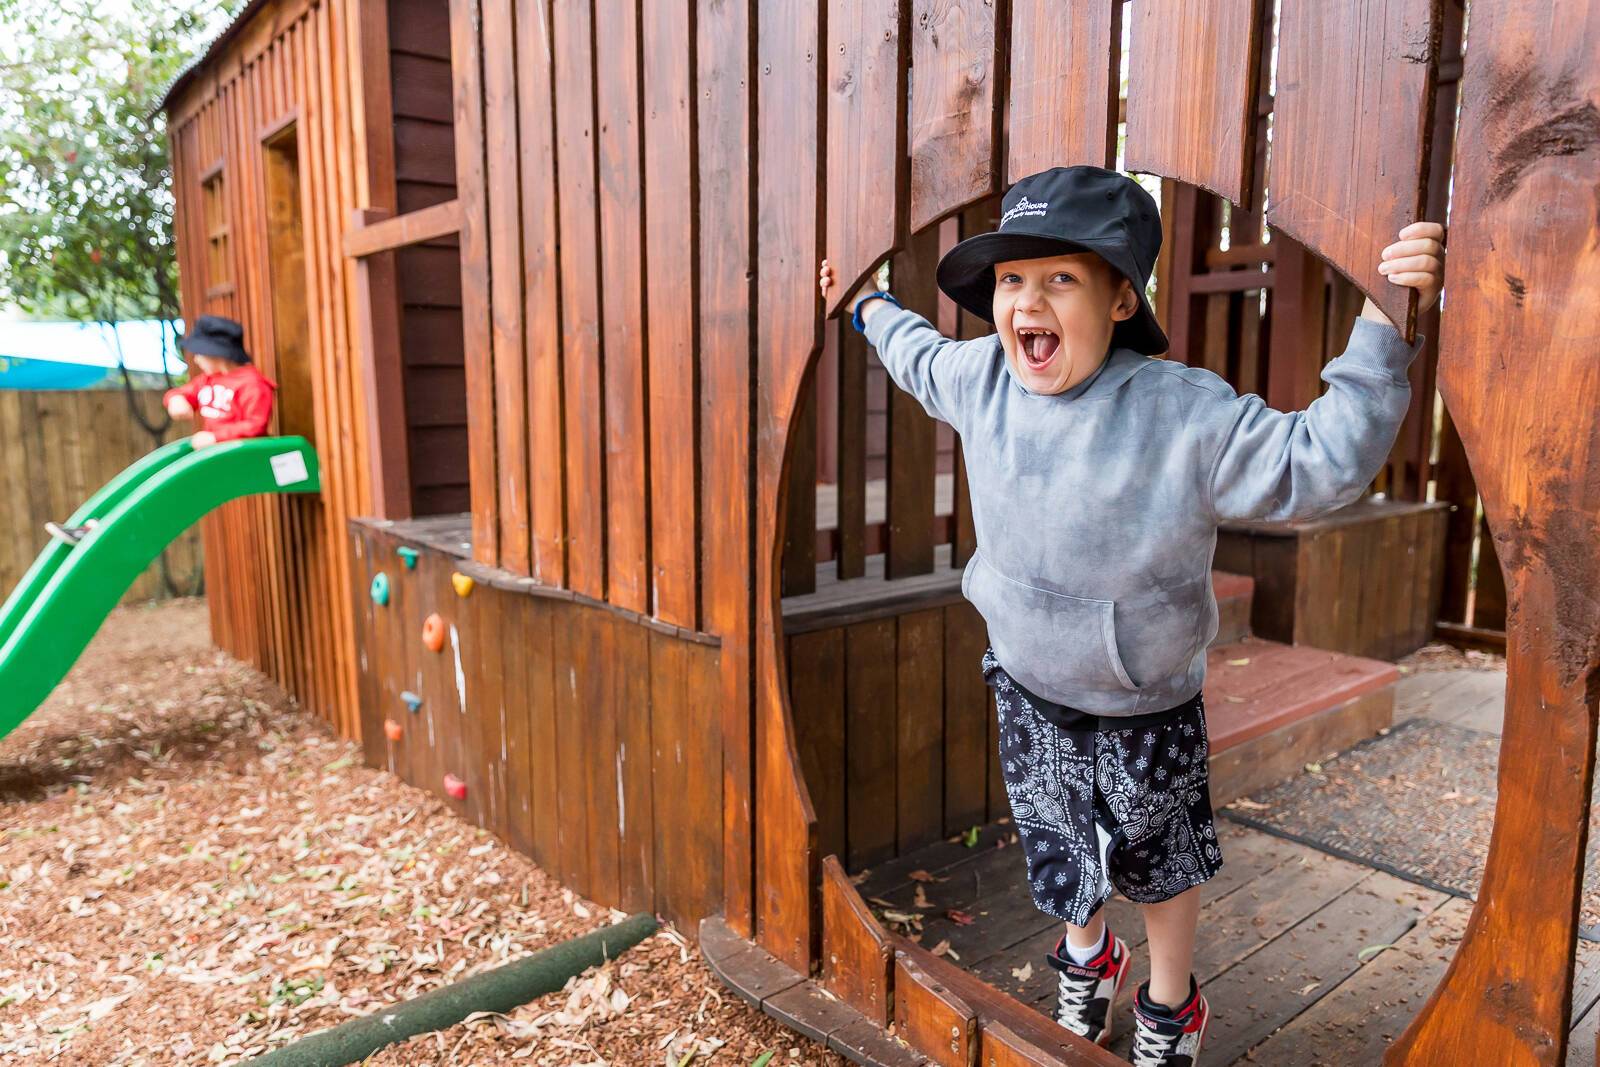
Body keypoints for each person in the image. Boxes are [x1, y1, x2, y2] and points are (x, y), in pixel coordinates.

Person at [819, 165, 1444, 1065]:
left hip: (1143, 697)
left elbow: (1321, 460)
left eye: (1059, 278)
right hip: (1028, 680)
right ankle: (1087, 956)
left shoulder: (1179, 413)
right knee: (1056, 841)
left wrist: (1386, 323)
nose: (1026, 300)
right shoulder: (981, 376)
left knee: (1158, 856)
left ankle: (1169, 999)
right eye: (1009, 280)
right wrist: (868, 305)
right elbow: (915, 353)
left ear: (1119, 301)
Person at [45, 314, 277, 546]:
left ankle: (110, 531)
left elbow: (256, 425)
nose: (196, 359)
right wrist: (177, 400)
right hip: (211, 458)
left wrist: (216, 436)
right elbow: (180, 393)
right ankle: (97, 525)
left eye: (200, 353)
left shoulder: (253, 385)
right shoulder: (210, 380)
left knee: (167, 497)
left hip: (233, 460)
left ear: (218, 353)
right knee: (149, 482)